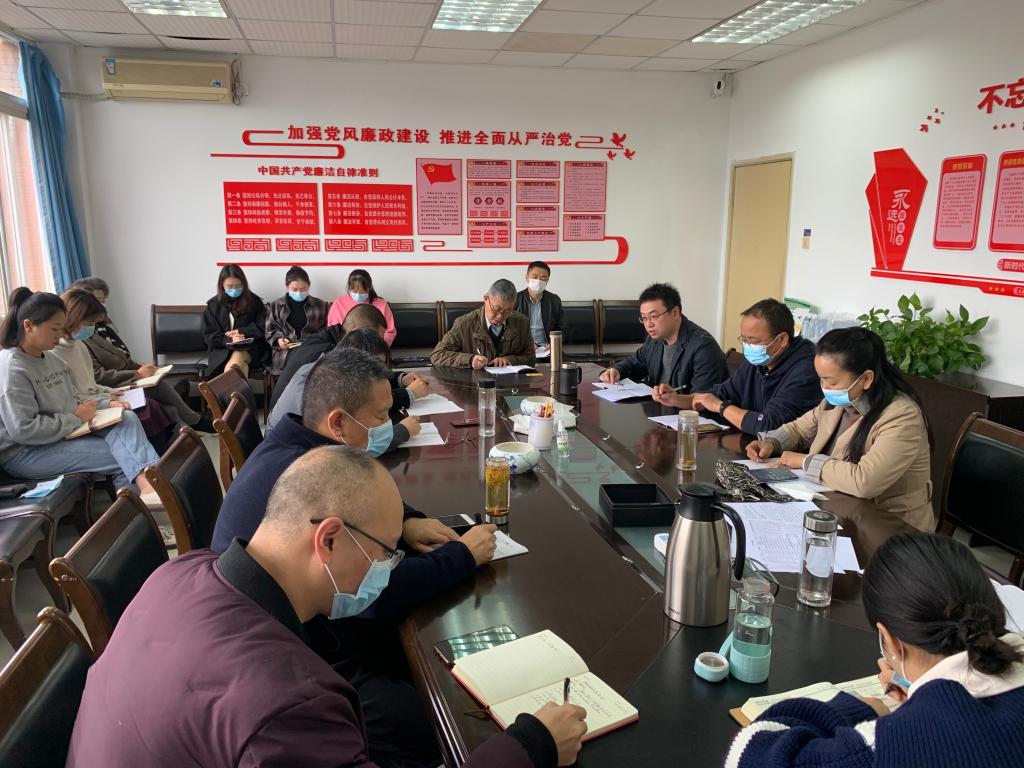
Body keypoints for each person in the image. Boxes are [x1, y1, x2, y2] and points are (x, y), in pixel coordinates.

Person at [68, 446, 588, 768]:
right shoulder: (288, 702)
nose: (389, 566)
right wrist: (531, 747)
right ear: (330, 539)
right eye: (387, 552)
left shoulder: (182, 571)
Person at [210, 350, 499, 764]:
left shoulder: (297, 445)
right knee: (441, 714)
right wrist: (462, 557)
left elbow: (357, 508)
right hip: (307, 658)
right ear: (339, 422)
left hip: (297, 629)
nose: (389, 425)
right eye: (380, 417)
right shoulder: (301, 473)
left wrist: (407, 522)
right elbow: (367, 592)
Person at [727, 532, 1024, 767]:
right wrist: (922, 696)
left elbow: (749, 752)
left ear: (889, 641)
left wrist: (865, 709)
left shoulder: (896, 741)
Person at [745, 327, 934, 530]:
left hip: (890, 525)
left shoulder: (902, 416)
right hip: (838, 508)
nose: (824, 388)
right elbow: (799, 429)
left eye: (831, 381)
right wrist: (771, 442)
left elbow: (865, 481)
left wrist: (805, 461)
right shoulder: (838, 401)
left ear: (866, 379)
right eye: (821, 379)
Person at [0, 288, 161, 499]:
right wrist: (75, 418)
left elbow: (74, 398)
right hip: (26, 453)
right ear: (28, 325)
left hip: (59, 436)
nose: (60, 335)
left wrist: (106, 404)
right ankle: (149, 498)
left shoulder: (53, 360)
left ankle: (149, 492)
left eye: (62, 328)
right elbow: (24, 430)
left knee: (127, 419)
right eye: (54, 329)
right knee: (125, 456)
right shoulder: (12, 368)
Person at [652, 299, 820, 435]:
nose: (747, 347)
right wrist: (676, 399)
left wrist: (721, 407)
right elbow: (715, 396)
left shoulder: (806, 372)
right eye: (744, 340)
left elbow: (769, 426)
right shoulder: (757, 363)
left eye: (753, 341)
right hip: (751, 447)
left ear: (782, 339)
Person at [70, 276, 212, 432]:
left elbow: (124, 358)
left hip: (115, 387)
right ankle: (194, 426)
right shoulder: (80, 339)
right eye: (97, 300)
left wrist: (142, 367)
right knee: (163, 400)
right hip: (113, 387)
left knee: (166, 402)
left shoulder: (101, 330)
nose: (101, 306)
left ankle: (188, 432)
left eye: (103, 301)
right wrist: (137, 374)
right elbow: (97, 376)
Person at [52, 290, 175, 451]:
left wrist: (110, 392)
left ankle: (164, 456)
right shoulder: (54, 354)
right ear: (73, 318)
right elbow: (76, 396)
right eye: (89, 323)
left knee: (151, 406)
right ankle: (157, 460)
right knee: (144, 414)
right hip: (88, 407)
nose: (92, 328)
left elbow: (91, 384)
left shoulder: (79, 346)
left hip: (100, 398)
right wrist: (108, 400)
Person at [266, 334, 422, 449]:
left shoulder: (327, 369)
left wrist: (400, 379)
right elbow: (351, 448)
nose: (386, 421)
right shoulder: (318, 390)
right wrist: (400, 432)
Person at [599, 283, 727, 393]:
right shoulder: (654, 339)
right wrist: (616, 370)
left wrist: (675, 399)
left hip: (685, 413)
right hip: (658, 409)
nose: (648, 324)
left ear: (675, 312)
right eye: (644, 318)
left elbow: (703, 400)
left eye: (654, 316)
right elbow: (635, 363)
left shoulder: (703, 346)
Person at [430, 278, 536, 369]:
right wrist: (470, 360)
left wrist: (510, 360)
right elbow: (437, 355)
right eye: (496, 309)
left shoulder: (522, 322)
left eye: (507, 312)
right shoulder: (464, 324)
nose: (500, 316)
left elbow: (531, 358)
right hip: (474, 383)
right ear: (486, 299)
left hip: (510, 382)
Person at [202, 263, 269, 379]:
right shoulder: (213, 306)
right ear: (222, 285)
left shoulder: (254, 302)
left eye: (238, 286)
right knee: (240, 367)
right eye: (230, 286)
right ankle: (233, 391)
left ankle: (224, 389)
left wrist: (241, 332)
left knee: (239, 354)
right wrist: (230, 340)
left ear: (244, 283)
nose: (234, 290)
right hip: (222, 352)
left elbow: (263, 327)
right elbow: (209, 336)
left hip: (250, 350)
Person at [264, 265, 329, 375]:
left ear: (309, 285)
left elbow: (327, 331)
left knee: (313, 361)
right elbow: (270, 331)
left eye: (303, 289)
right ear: (287, 287)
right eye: (294, 289)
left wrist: (313, 341)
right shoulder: (276, 306)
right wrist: (279, 340)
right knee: (301, 363)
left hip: (313, 349)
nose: (299, 292)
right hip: (285, 353)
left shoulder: (321, 306)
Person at [327, 268, 397, 346]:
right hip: (346, 347)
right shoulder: (338, 303)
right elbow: (333, 330)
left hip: (375, 347)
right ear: (349, 288)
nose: (358, 294)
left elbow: (390, 332)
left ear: (369, 288)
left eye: (362, 291)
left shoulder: (382, 304)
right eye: (354, 291)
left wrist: (377, 346)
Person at [514, 261, 564, 354]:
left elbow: (562, 327)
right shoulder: (515, 299)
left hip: (547, 349)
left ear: (547, 281)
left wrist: (555, 343)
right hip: (522, 349)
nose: (538, 281)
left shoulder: (554, 300)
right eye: (535, 277)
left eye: (543, 278)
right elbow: (509, 329)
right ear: (526, 278)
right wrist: (525, 343)